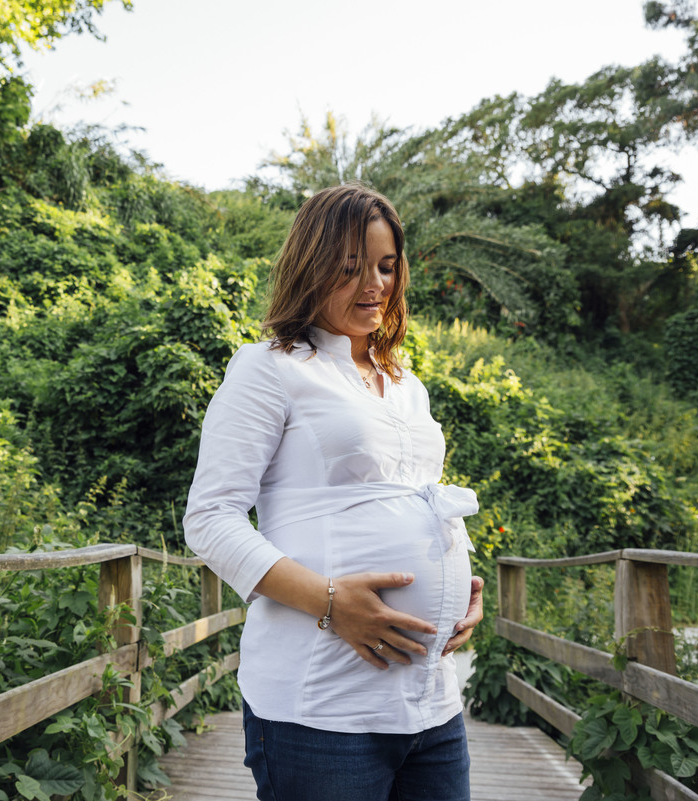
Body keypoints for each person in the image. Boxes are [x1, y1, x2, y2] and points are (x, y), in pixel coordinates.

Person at [182, 183, 485, 801]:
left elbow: (416, 498)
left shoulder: (406, 385)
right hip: (322, 709)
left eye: (385, 266)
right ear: (310, 267)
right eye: (350, 268)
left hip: (432, 704)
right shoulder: (269, 367)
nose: (374, 284)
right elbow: (210, 518)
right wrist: (329, 601)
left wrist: (461, 591)